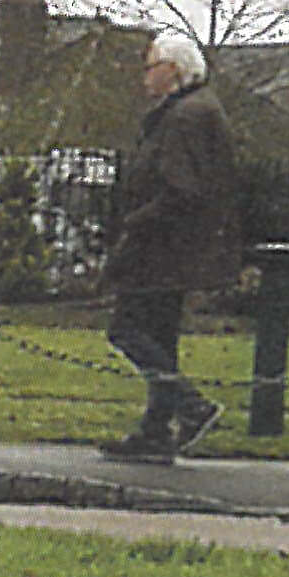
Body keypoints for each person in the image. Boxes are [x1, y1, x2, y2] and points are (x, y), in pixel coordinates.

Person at [101, 31, 242, 460]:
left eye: (151, 66)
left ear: (174, 71)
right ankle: (156, 430)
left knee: (127, 329)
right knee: (160, 337)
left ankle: (190, 406)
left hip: (161, 248)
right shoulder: (192, 111)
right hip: (175, 249)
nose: (145, 75)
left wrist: (134, 222)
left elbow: (183, 190)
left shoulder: (185, 118)